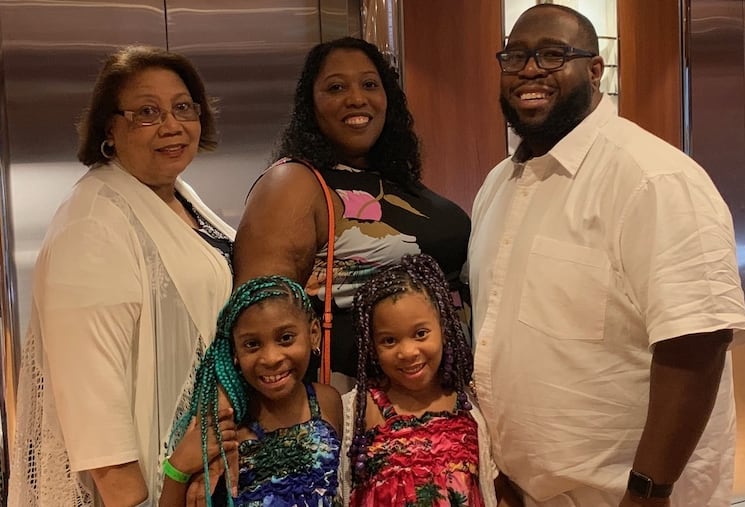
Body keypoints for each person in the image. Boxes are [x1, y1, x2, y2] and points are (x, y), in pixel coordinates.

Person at [467, 4, 745, 507]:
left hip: (628, 497)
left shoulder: (653, 179)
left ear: (595, 70)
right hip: (522, 491)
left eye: (552, 55)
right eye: (514, 57)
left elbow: (696, 345)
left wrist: (648, 492)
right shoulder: (499, 184)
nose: (529, 70)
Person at [8, 45, 235, 506]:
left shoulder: (178, 196)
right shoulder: (92, 222)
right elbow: (95, 410)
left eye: (183, 107)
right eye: (147, 112)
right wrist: (135, 494)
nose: (172, 125)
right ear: (109, 128)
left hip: (199, 471)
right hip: (148, 488)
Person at [233, 37, 471, 391]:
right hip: (358, 403)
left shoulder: (394, 180)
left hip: (443, 396)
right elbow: (258, 320)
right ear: (310, 105)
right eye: (336, 87)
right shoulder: (293, 182)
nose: (357, 98)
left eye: (370, 84)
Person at [340, 254, 520, 507]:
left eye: (421, 334)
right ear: (372, 346)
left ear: (443, 329)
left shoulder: (470, 406)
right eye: (389, 340)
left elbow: (497, 489)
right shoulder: (358, 409)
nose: (408, 352)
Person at [164, 275, 343, 507]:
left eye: (286, 338)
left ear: (314, 333)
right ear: (235, 353)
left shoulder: (327, 400)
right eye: (252, 344)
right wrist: (177, 468)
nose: (270, 358)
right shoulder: (225, 426)